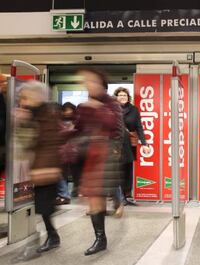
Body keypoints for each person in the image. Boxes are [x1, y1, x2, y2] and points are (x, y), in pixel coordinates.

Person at [74, 68, 123, 255]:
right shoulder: (83, 105)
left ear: (102, 84)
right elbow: (78, 129)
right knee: (94, 200)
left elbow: (116, 129)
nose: (88, 84)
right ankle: (100, 238)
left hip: (106, 156)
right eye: (86, 81)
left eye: (92, 81)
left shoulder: (112, 104)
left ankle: (101, 238)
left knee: (98, 197)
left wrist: (99, 109)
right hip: (89, 157)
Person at [16, 81, 63, 253]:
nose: (24, 100)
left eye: (26, 96)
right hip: (39, 168)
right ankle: (51, 236)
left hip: (46, 169)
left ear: (37, 96)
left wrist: (49, 167)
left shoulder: (49, 113)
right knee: (43, 207)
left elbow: (51, 142)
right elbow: (25, 143)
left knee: (44, 207)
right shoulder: (32, 114)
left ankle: (51, 237)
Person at [113, 87, 150, 205]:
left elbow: (139, 126)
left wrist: (144, 143)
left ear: (128, 97)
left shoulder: (134, 109)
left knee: (128, 170)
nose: (122, 97)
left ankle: (126, 196)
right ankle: (119, 198)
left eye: (124, 95)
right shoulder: (111, 110)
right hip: (116, 144)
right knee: (118, 170)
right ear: (116, 97)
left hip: (130, 143)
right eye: (120, 95)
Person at [55, 102, 77, 205]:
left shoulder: (76, 122)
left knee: (64, 173)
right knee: (62, 173)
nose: (68, 112)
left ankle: (65, 194)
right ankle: (64, 194)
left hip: (69, 151)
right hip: (63, 151)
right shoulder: (59, 121)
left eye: (70, 110)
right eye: (66, 110)